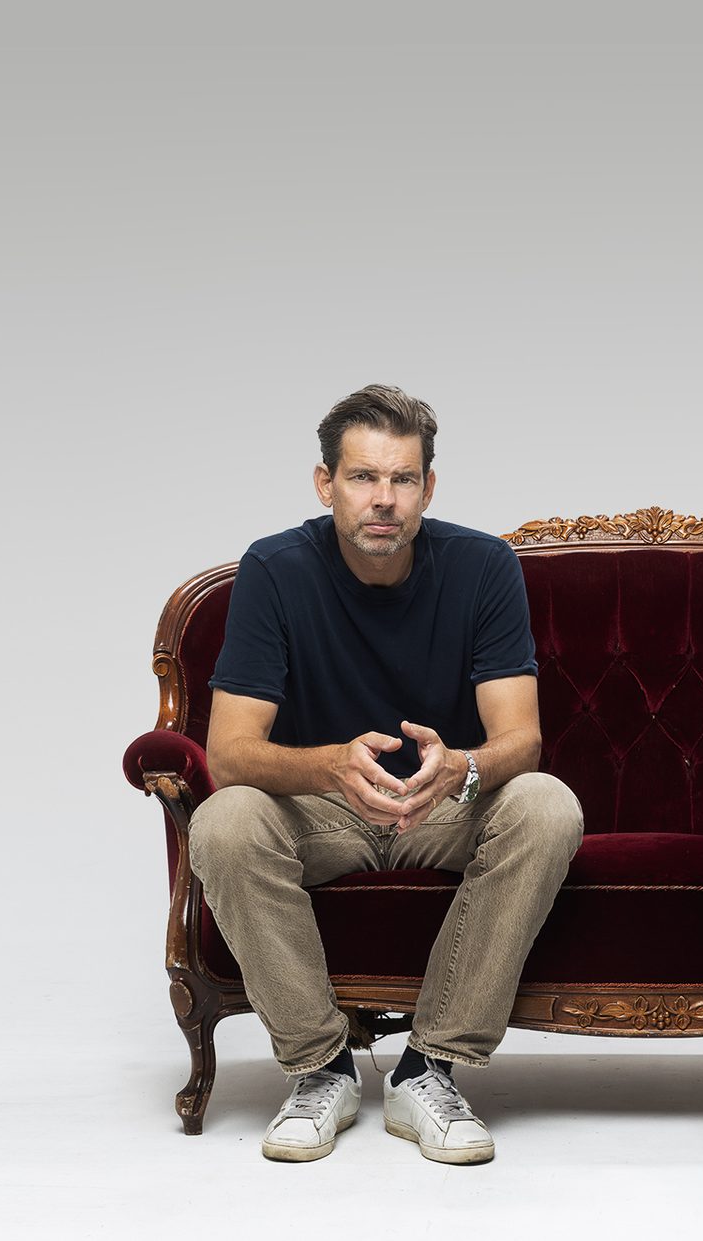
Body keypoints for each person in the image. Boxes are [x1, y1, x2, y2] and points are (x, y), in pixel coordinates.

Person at [189, 384, 583, 1165]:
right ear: (325, 481)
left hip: (442, 800)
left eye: (403, 480)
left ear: (428, 488)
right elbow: (229, 753)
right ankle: (319, 1068)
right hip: (320, 807)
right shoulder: (275, 567)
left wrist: (463, 765)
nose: (384, 500)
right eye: (365, 477)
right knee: (225, 818)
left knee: (546, 803)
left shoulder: (481, 565)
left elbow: (522, 741)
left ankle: (427, 1067)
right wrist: (328, 766)